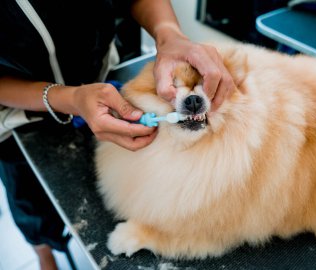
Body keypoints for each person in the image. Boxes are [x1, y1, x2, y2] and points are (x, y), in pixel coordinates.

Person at [0, 0, 235, 269]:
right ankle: (43, 253)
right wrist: (68, 97)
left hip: (100, 75)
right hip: (19, 117)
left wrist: (169, 32)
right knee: (30, 205)